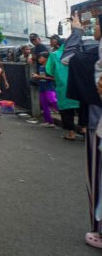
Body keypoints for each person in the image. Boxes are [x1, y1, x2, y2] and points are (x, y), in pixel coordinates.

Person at [61, 13, 102, 248]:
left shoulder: (93, 55)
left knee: (98, 178)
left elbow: (68, 58)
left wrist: (76, 32)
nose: (94, 27)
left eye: (97, 24)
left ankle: (99, 231)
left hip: (98, 125)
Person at [46, 37, 80, 140]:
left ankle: (71, 133)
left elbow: (49, 70)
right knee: (81, 108)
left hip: (63, 85)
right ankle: (83, 129)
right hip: (79, 85)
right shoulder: (77, 52)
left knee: (66, 110)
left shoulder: (54, 55)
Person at [33, 52, 58, 128]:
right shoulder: (41, 67)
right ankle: (49, 122)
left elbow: (53, 78)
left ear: (46, 58)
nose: (39, 59)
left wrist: (39, 77)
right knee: (44, 106)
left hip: (49, 88)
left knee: (52, 101)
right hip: (42, 88)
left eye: (40, 57)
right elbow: (41, 76)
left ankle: (62, 111)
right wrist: (37, 76)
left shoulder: (49, 67)